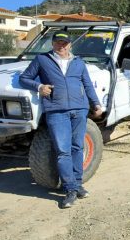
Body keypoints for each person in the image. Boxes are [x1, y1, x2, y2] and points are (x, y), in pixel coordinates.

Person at [20, 31, 104, 209]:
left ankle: (78, 184)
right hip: (56, 111)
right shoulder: (42, 60)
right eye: (58, 43)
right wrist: (40, 86)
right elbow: (24, 78)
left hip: (79, 110)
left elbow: (87, 84)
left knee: (77, 147)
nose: (62, 46)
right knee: (63, 151)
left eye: (65, 43)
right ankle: (70, 189)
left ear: (70, 45)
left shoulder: (78, 62)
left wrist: (95, 104)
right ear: (52, 44)